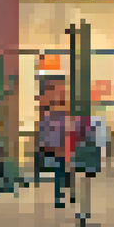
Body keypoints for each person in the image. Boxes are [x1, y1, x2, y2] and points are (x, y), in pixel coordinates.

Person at [35, 74, 73, 210]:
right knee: (61, 171)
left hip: (61, 148)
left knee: (63, 171)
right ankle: (60, 196)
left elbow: (70, 131)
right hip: (58, 149)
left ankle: (62, 195)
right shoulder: (51, 116)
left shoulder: (58, 116)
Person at [69, 105, 107, 227]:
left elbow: (71, 142)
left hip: (78, 156)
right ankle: (83, 213)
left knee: (80, 184)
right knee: (85, 185)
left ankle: (81, 212)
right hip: (88, 159)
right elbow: (100, 142)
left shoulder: (74, 125)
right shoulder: (95, 124)